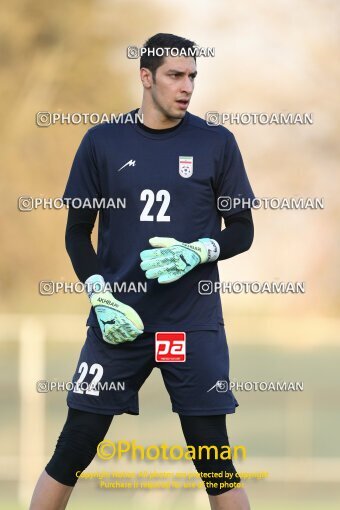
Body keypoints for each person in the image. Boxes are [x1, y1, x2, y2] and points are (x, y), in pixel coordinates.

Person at [30, 33, 254, 510]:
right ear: (146, 77)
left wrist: (200, 250)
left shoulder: (216, 143)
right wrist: (99, 296)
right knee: (72, 448)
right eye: (175, 75)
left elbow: (242, 228)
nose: (187, 86)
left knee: (215, 460)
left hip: (189, 326)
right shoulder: (101, 142)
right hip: (120, 325)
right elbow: (76, 233)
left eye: (193, 76)